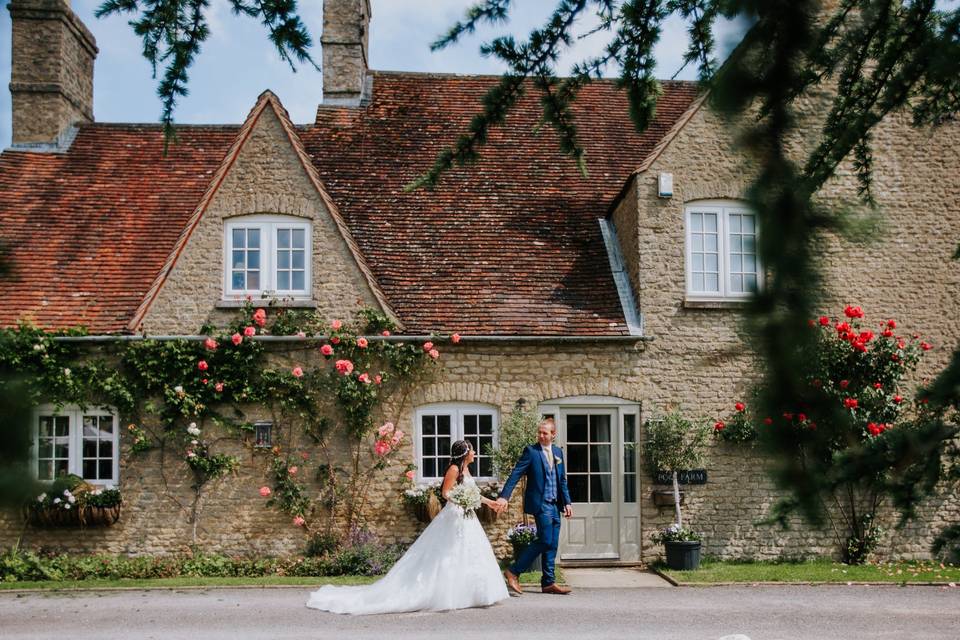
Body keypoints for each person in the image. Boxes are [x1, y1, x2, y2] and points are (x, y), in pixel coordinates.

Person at [305, 440, 509, 614]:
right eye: (472, 450)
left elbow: (472, 492)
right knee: (448, 555)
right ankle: (445, 593)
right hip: (455, 516)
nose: (475, 453)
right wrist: (461, 500)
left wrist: (490, 503)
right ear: (465, 453)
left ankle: (473, 593)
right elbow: (445, 493)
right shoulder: (454, 469)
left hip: (467, 518)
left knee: (471, 553)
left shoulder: (465, 469)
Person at [495, 417, 573, 595]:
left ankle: (548, 582)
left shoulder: (558, 453)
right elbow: (516, 473)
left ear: (553, 434)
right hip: (541, 504)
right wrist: (504, 496)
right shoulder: (531, 451)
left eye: (545, 433)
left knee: (552, 544)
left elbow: (561, 480)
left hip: (555, 505)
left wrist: (567, 502)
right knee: (544, 540)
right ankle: (513, 571)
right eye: (539, 432)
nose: (541, 435)